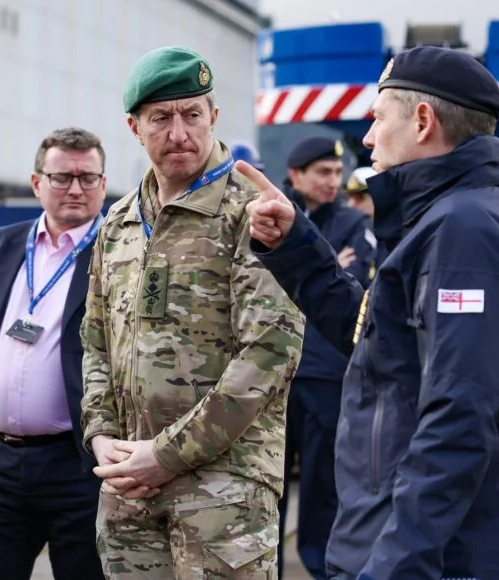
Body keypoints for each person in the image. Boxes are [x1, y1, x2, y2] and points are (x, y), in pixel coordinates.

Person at [242, 46, 499, 580]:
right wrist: (298, 245)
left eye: (376, 118)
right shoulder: (454, 220)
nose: (366, 138)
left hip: (430, 559)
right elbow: (376, 340)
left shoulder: (467, 233)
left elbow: (459, 420)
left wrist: (393, 565)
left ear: (422, 120)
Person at [81, 46, 305, 579]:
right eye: (161, 118)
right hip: (128, 485)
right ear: (135, 128)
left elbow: (270, 353)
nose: (179, 132)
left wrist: (167, 455)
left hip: (224, 487)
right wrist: (101, 436)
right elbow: (95, 341)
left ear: (214, 118)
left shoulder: (252, 212)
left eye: (192, 115)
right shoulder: (118, 224)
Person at [0, 127, 107, 580]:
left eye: (88, 177)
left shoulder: (121, 252)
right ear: (36, 182)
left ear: (104, 183)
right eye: (62, 177)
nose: (76, 188)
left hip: (78, 466)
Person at [276, 137, 375, 580]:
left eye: (337, 173)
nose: (333, 182)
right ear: (296, 175)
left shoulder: (354, 222)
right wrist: (327, 263)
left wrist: (302, 267)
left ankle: (319, 567)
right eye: (323, 173)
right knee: (266, 480)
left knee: (322, 482)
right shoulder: (267, 213)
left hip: (323, 373)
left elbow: (349, 286)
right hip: (271, 374)